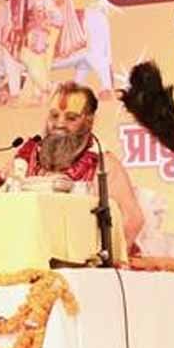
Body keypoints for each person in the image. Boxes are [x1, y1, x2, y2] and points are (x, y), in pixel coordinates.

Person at [12, 81, 145, 248]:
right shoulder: (28, 158)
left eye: (71, 118)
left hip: (88, 257)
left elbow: (133, 220)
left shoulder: (103, 164)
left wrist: (103, 256)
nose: (59, 124)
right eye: (54, 116)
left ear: (88, 121)